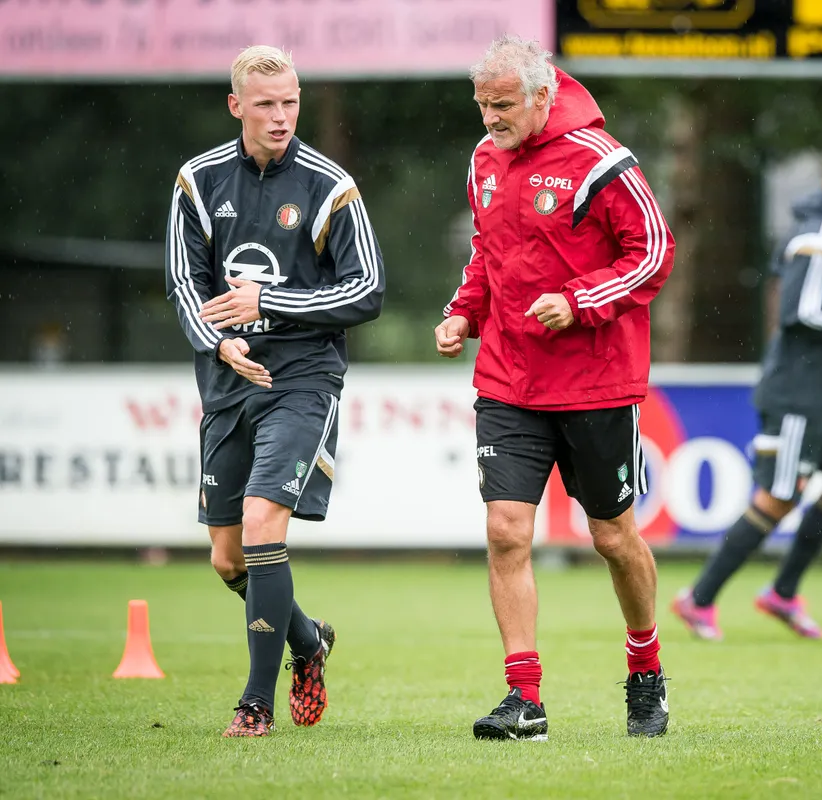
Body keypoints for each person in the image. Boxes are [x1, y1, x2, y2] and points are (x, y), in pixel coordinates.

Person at [435, 35, 674, 740]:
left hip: (595, 383)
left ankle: (645, 669)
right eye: (481, 105)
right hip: (508, 379)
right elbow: (488, 251)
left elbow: (654, 250)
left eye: (503, 105)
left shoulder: (603, 161)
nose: (490, 119)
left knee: (611, 536)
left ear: (543, 95)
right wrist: (462, 312)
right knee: (506, 532)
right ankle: (524, 698)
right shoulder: (483, 160)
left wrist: (580, 300)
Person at [166, 45, 384, 736]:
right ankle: (308, 642)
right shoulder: (198, 181)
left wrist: (274, 301)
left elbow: (368, 290)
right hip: (228, 380)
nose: (281, 115)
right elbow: (182, 282)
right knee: (228, 556)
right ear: (237, 106)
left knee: (264, 523)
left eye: (290, 101)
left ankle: (255, 705)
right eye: (265, 104)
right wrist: (217, 342)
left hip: (302, 379)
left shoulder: (330, 185)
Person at [671, 142, 822, 642]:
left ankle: (782, 593)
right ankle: (698, 599)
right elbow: (800, 312)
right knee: (779, 496)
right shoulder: (821, 238)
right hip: (798, 394)